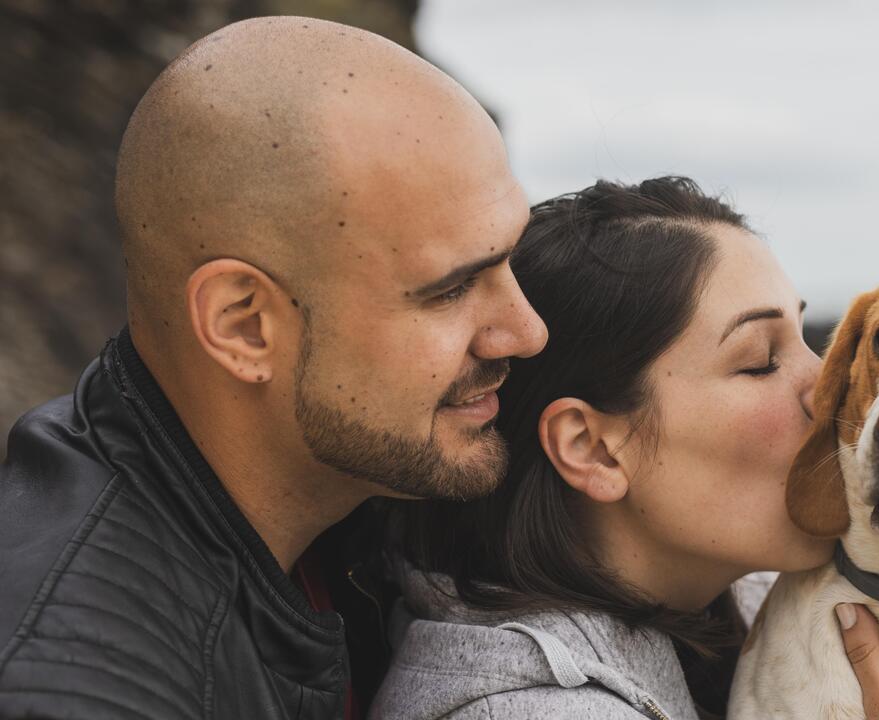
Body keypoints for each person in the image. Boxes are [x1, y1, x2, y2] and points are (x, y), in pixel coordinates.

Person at [0, 16, 546, 719]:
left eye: (511, 259)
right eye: (450, 289)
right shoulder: (80, 689)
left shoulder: (354, 498)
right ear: (244, 326)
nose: (527, 332)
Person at [372, 177, 879, 720]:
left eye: (809, 341)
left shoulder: (756, 597)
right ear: (593, 449)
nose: (837, 393)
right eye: (762, 360)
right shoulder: (521, 709)